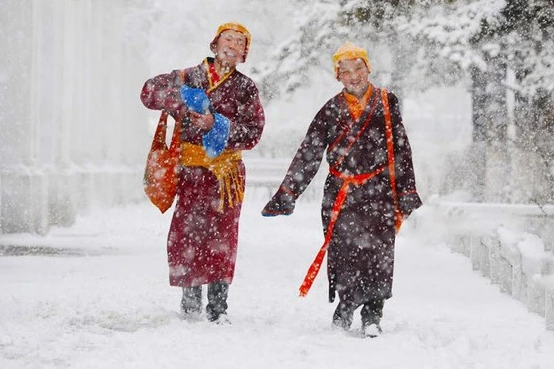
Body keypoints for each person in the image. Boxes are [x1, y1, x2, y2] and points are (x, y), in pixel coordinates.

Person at [261, 41, 422, 338]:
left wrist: (407, 190)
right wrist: (287, 194)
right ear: (338, 76)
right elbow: (308, 153)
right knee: (344, 252)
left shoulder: (387, 102)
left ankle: (373, 315)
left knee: (379, 253)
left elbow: (400, 148)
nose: (354, 76)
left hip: (379, 191)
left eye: (358, 68)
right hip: (341, 193)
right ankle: (346, 306)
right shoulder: (330, 110)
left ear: (368, 68)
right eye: (345, 71)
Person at [140, 22, 265, 324]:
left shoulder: (246, 88)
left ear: (244, 54)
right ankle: (190, 302)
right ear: (214, 44)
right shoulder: (188, 76)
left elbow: (253, 132)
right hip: (191, 173)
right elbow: (148, 93)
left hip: (227, 176)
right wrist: (181, 100)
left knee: (223, 237)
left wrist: (217, 125)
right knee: (188, 235)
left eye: (240, 43)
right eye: (228, 39)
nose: (233, 46)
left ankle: (218, 307)